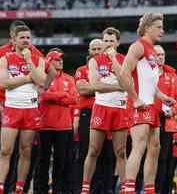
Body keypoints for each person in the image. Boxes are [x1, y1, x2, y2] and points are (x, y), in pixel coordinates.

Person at [118, 13, 175, 193]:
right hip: (140, 104)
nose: (162, 31)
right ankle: (128, 189)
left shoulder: (151, 50)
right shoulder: (138, 47)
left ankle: (149, 189)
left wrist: (162, 96)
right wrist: (134, 99)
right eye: (159, 27)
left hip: (152, 104)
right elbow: (123, 74)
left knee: (155, 148)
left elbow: (150, 82)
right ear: (148, 28)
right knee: (139, 147)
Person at [0, 25, 47, 194]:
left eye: (28, 38)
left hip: (30, 109)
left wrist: (28, 61)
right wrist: (27, 78)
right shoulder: (5, 58)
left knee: (25, 151)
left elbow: (41, 81)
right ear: (14, 40)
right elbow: (3, 83)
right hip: (12, 109)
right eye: (22, 37)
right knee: (5, 150)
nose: (26, 41)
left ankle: (19, 188)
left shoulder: (37, 59)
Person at [81, 27, 128, 194]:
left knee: (121, 152)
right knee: (93, 150)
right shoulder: (94, 61)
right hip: (101, 108)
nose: (108, 44)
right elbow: (95, 85)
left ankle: (125, 188)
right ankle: (85, 187)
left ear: (117, 42)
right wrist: (117, 86)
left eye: (111, 41)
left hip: (120, 108)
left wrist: (114, 60)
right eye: (106, 41)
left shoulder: (124, 60)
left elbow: (126, 82)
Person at [35, 49, 77, 193]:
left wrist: (53, 96)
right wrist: (61, 96)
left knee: (61, 160)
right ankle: (41, 190)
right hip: (44, 125)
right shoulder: (43, 78)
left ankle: (59, 190)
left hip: (64, 126)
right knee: (43, 160)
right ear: (49, 61)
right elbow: (41, 96)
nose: (61, 62)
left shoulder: (69, 79)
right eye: (57, 59)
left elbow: (74, 99)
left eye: (61, 59)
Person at [74, 38, 107, 193]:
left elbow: (89, 89)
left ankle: (103, 189)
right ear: (89, 51)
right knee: (86, 152)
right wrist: (105, 87)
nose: (95, 52)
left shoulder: (110, 67)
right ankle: (85, 188)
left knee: (106, 154)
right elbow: (82, 90)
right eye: (93, 49)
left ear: (104, 50)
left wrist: (94, 86)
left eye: (98, 49)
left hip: (107, 111)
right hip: (88, 114)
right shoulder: (81, 70)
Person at [153, 45, 177, 194]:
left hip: (167, 122)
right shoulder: (146, 73)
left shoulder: (171, 75)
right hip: (149, 121)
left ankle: (164, 190)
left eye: (162, 54)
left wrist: (173, 110)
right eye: (157, 54)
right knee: (151, 156)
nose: (160, 57)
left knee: (164, 158)